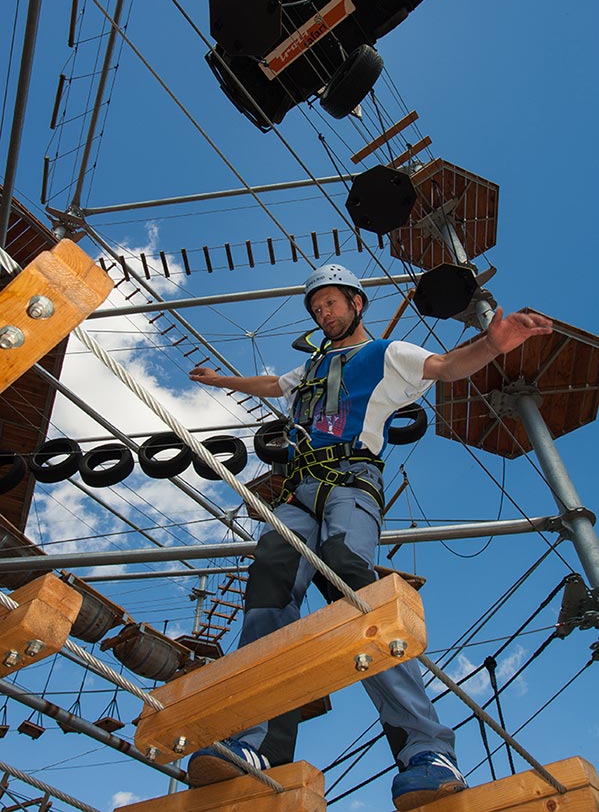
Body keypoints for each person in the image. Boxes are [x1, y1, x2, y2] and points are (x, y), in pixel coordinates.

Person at [187, 264, 553, 810]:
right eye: (316, 309)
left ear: (357, 304)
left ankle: (426, 752)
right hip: (300, 487)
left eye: (331, 304)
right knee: (270, 575)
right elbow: (272, 385)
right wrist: (222, 382)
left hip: (352, 483)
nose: (323, 314)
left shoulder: (388, 354)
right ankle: (256, 742)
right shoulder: (311, 366)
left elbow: (448, 366)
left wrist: (494, 343)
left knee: (349, 578)